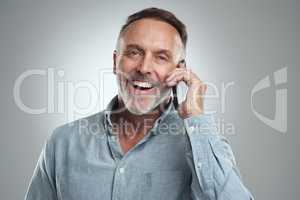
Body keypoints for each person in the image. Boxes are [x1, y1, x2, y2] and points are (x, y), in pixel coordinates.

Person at [25, 7, 254, 200]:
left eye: (161, 57)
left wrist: (195, 117)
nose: (144, 68)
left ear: (180, 69)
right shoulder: (63, 142)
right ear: (116, 61)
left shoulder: (201, 143)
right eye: (134, 52)